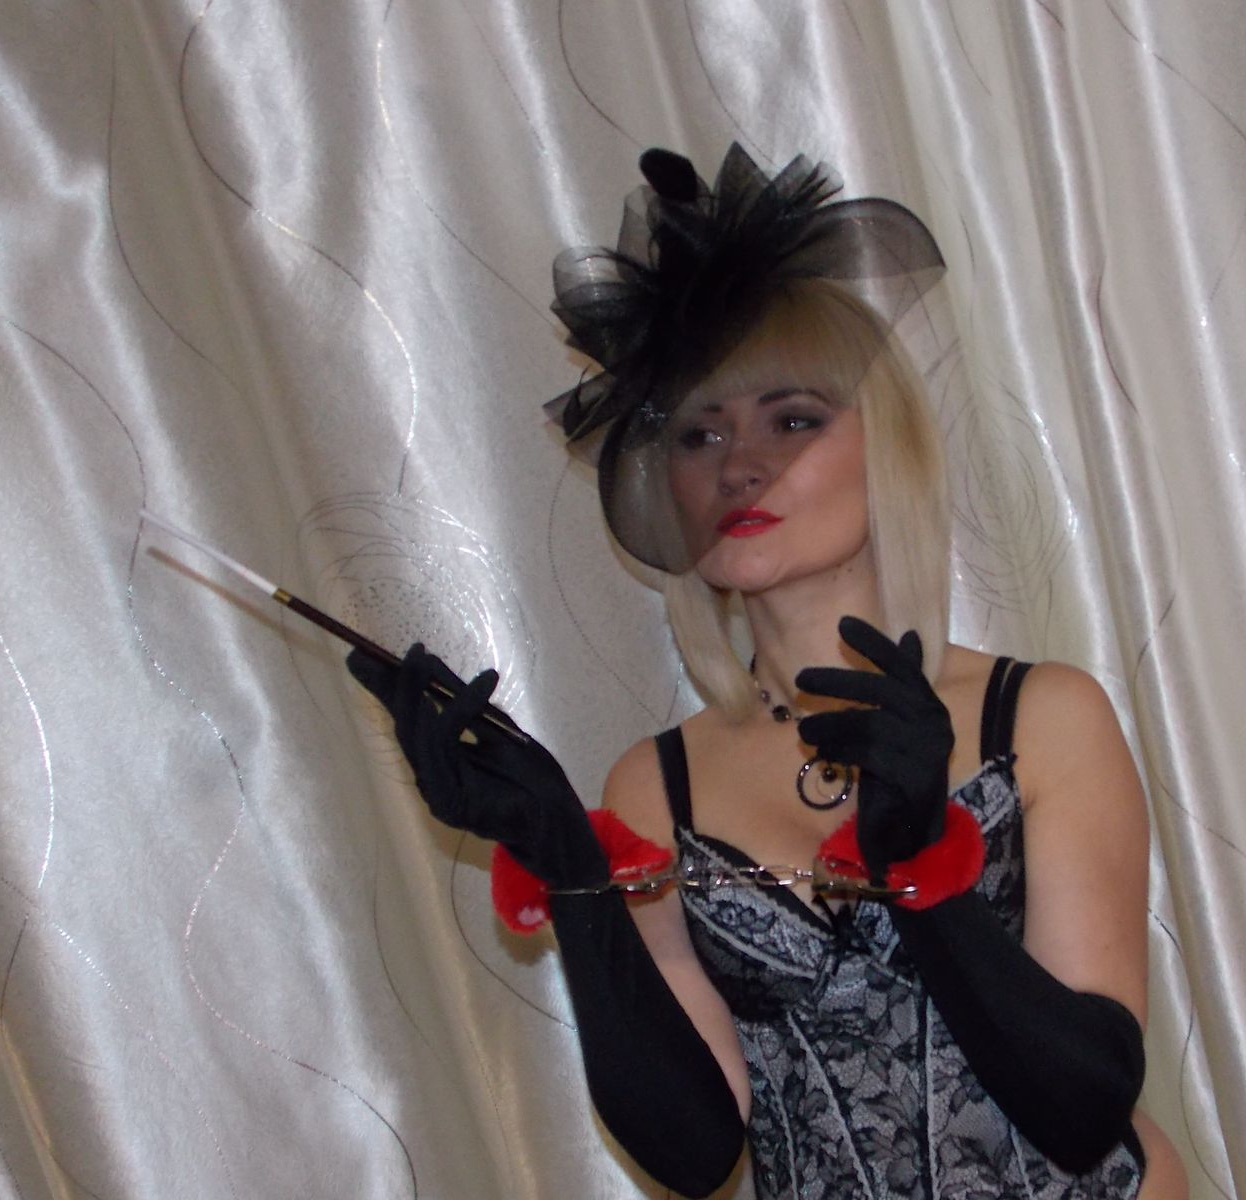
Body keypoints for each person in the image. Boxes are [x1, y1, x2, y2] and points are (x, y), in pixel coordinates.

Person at [349, 145, 1188, 1199]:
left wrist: (917, 866)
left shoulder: (1042, 718)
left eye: (792, 421)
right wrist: (569, 866)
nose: (741, 465)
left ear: (885, 449)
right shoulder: (657, 787)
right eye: (700, 435)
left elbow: (1083, 1107)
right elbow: (693, 1154)